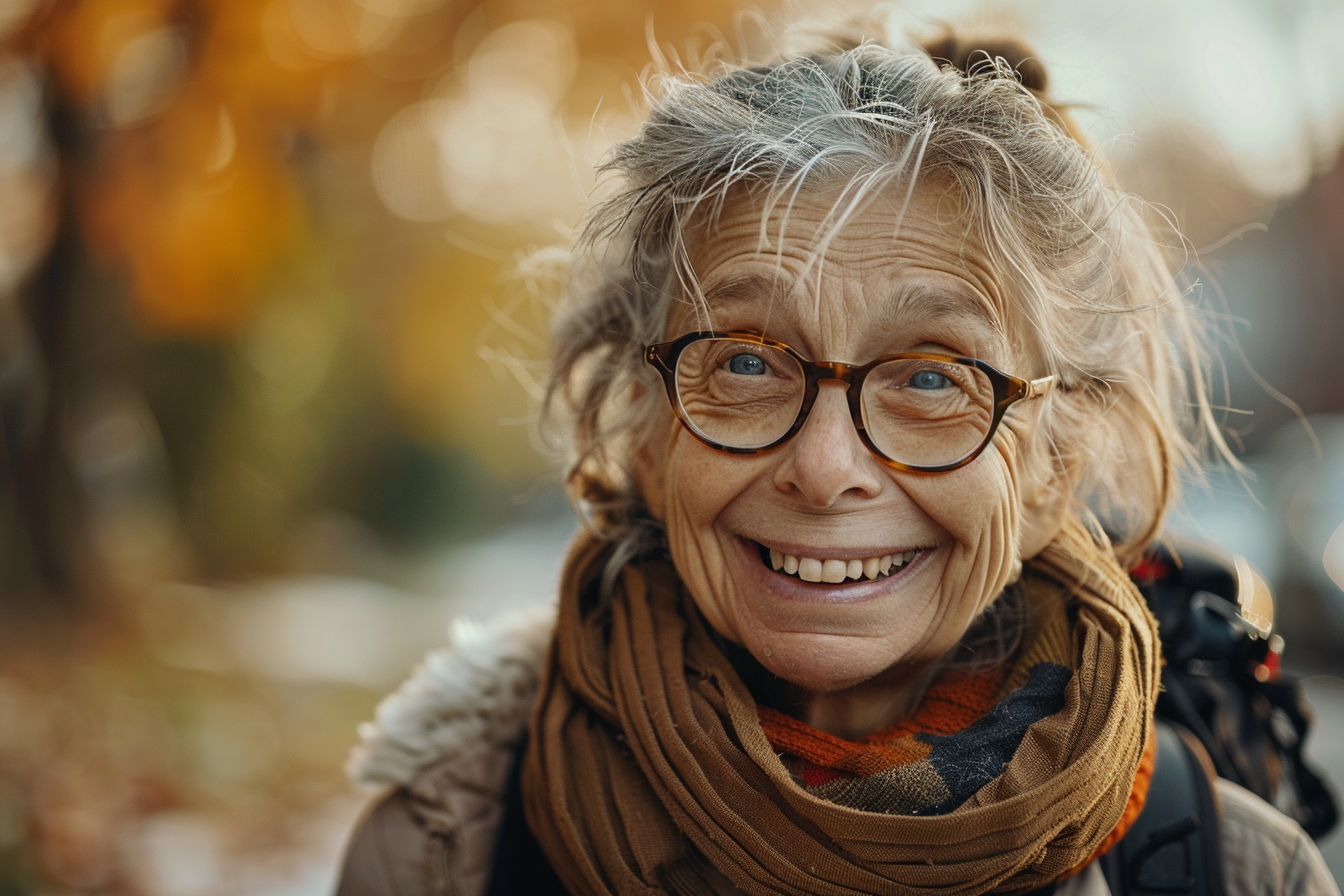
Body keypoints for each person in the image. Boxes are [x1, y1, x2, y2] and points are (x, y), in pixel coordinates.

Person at [334, 20, 1340, 896]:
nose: (824, 466)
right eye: (743, 360)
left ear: (1053, 464)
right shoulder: (446, 851)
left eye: (934, 377)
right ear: (640, 424)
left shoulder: (1232, 870)